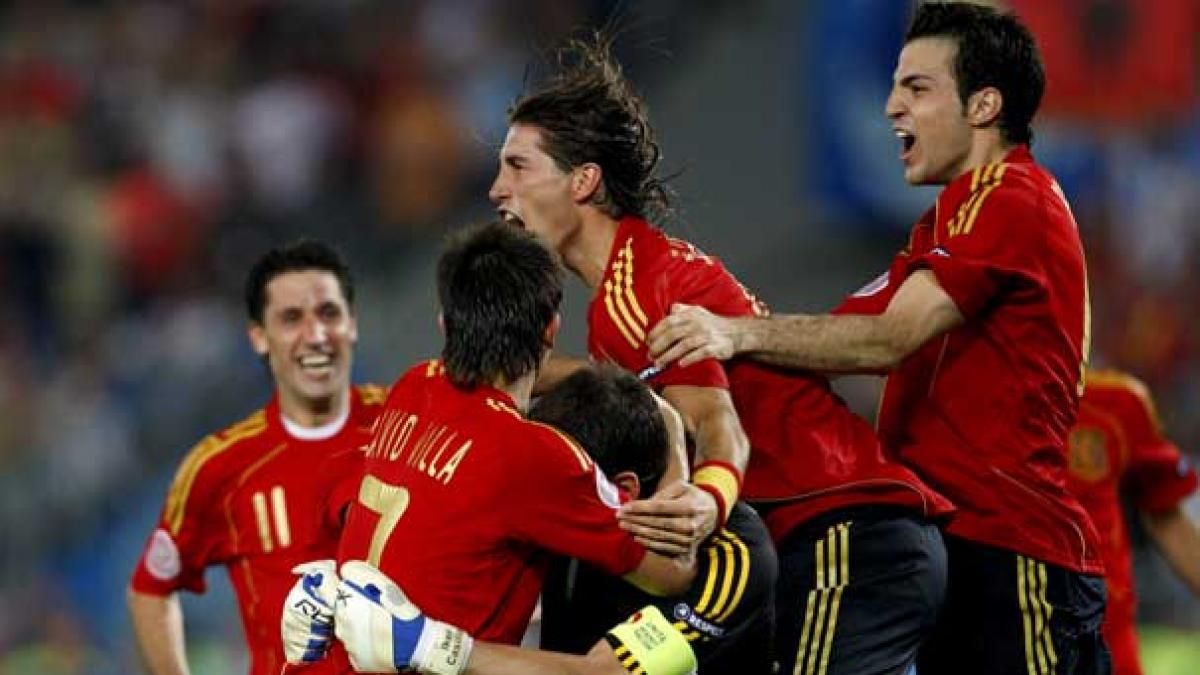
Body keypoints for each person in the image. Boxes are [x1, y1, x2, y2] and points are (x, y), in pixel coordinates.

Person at [646, 4, 1109, 674]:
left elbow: (884, 340)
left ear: (984, 106)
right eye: (896, 86)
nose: (892, 107)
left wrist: (731, 330)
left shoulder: (1008, 196)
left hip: (1016, 551)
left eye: (917, 88)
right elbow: (837, 332)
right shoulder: (943, 227)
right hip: (966, 548)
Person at [486, 32, 954, 675]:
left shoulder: (647, 284)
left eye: (517, 166)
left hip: (845, 535)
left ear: (583, 181)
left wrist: (706, 501)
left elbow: (716, 425)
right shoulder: (630, 290)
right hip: (825, 546)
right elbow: (632, 386)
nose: (496, 189)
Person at [283, 222, 700, 675]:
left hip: (327, 663)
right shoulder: (532, 455)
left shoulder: (412, 386)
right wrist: (672, 429)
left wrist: (596, 374)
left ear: (445, 324)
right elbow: (671, 566)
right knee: (655, 659)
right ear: (551, 329)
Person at [128, 239, 386, 675]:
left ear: (353, 324)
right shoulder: (222, 465)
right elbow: (151, 589)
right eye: (291, 319)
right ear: (259, 337)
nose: (316, 335)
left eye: (328, 313)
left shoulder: (408, 423)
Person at [531, 366, 777, 675]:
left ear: (624, 489)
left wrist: (460, 650)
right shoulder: (570, 510)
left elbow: (601, 672)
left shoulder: (735, 556)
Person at [1068, 369, 1200, 675]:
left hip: (1108, 649)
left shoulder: (1116, 402)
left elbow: (1167, 516)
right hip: (1004, 636)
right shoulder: (960, 391)